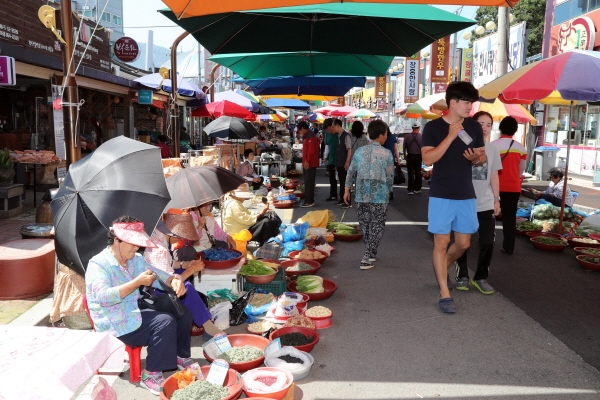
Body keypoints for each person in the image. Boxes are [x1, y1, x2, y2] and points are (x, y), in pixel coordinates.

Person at [85, 216, 194, 395]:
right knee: (164, 322)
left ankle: (179, 355)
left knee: (183, 313)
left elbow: (157, 275)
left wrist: (173, 280)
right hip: (115, 321)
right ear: (117, 240)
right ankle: (150, 374)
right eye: (133, 243)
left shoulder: (135, 259)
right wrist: (136, 283)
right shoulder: (99, 264)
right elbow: (103, 297)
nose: (137, 247)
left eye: (138, 243)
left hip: (134, 311)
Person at [421, 81, 486, 314]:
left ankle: (442, 267)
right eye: (467, 102)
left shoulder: (475, 128)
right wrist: (450, 137)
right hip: (441, 193)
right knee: (441, 242)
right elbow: (428, 159)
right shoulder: (433, 128)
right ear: (453, 103)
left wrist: (475, 160)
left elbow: (482, 158)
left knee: (463, 244)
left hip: (466, 193)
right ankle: (444, 292)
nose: (470, 107)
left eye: (472, 102)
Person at [144, 210, 225, 336]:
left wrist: (185, 264)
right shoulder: (159, 249)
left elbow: (169, 264)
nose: (181, 239)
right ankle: (208, 326)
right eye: (180, 236)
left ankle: (198, 314)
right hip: (156, 289)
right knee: (187, 287)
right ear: (172, 234)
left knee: (184, 273)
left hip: (161, 280)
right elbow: (169, 281)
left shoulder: (160, 239)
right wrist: (191, 270)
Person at [454, 111, 502, 295]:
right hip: (464, 201)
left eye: (488, 124)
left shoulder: (492, 149)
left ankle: (480, 277)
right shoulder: (462, 146)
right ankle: (463, 276)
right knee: (462, 243)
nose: (484, 127)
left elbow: (494, 175)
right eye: (480, 123)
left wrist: (497, 199)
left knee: (488, 242)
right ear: (473, 125)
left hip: (486, 203)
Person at [343, 120, 394, 270]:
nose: (386, 136)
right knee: (377, 225)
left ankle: (370, 251)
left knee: (365, 225)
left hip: (361, 194)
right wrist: (390, 189)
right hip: (380, 195)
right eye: (385, 134)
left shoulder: (359, 151)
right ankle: (367, 256)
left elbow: (351, 171)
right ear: (381, 135)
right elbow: (390, 175)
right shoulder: (386, 153)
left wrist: (347, 189)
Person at [492, 116, 527, 255]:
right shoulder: (521, 148)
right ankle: (508, 247)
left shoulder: (492, 145)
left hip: (494, 186)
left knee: (488, 215)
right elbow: (521, 169)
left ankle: (486, 240)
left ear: (500, 128)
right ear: (515, 130)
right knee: (509, 217)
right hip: (512, 187)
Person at [298, 121, 319, 208]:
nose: (300, 133)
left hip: (310, 163)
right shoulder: (308, 136)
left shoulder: (310, 136)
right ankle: (308, 200)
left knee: (309, 182)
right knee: (307, 182)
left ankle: (309, 201)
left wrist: (307, 161)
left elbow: (311, 151)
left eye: (299, 131)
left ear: (303, 129)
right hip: (308, 162)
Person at [333, 119, 352, 208]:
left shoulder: (346, 136)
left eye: (334, 126)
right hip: (340, 163)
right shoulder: (339, 136)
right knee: (341, 181)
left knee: (345, 182)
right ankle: (342, 199)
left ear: (338, 126)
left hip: (344, 163)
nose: (333, 128)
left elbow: (349, 149)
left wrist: (347, 161)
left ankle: (347, 201)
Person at [404, 122, 423, 195]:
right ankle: (417, 188)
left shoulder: (407, 136)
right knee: (418, 172)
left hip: (410, 156)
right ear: (418, 128)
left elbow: (404, 146)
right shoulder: (421, 136)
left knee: (410, 173)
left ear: (412, 128)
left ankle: (410, 189)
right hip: (418, 156)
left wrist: (405, 155)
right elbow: (423, 148)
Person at [323, 118, 338, 201]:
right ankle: (333, 195)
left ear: (331, 126)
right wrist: (325, 156)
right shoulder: (327, 134)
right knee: (332, 178)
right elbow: (327, 145)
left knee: (342, 179)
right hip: (331, 159)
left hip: (339, 159)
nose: (326, 130)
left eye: (326, 128)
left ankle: (344, 197)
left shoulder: (338, 134)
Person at [383, 127, 400, 200]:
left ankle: (384, 192)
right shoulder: (393, 137)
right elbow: (396, 149)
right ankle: (390, 192)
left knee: (383, 176)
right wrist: (398, 160)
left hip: (382, 159)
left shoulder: (381, 137)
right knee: (390, 176)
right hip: (390, 160)